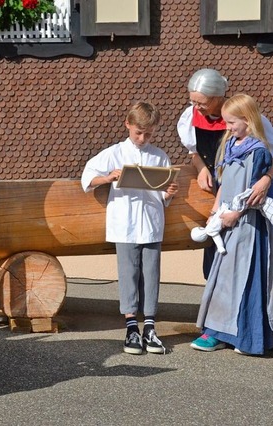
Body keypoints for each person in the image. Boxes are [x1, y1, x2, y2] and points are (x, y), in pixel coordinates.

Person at [177, 68, 273, 350]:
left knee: (260, 264)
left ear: (219, 98)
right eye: (193, 100)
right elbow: (194, 153)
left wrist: (265, 181)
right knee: (221, 261)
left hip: (253, 195)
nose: (196, 107)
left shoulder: (250, 122)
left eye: (202, 102)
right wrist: (202, 169)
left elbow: (270, 158)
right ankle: (222, 325)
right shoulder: (191, 118)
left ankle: (263, 327)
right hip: (223, 191)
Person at [81, 101, 179, 355]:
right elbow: (88, 177)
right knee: (129, 274)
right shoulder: (114, 152)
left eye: (148, 133)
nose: (143, 138)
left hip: (151, 222)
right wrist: (108, 178)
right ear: (128, 124)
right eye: (138, 132)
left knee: (151, 274)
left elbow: (164, 193)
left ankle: (150, 327)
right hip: (124, 224)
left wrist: (168, 193)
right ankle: (131, 328)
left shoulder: (159, 155)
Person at [190, 94, 273, 355]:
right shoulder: (231, 145)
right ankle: (219, 331)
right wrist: (216, 209)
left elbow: (253, 193)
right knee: (223, 278)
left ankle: (247, 337)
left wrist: (235, 213)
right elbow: (223, 182)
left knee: (245, 278)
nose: (228, 127)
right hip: (228, 221)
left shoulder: (258, 152)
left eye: (232, 122)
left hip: (248, 226)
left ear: (247, 120)